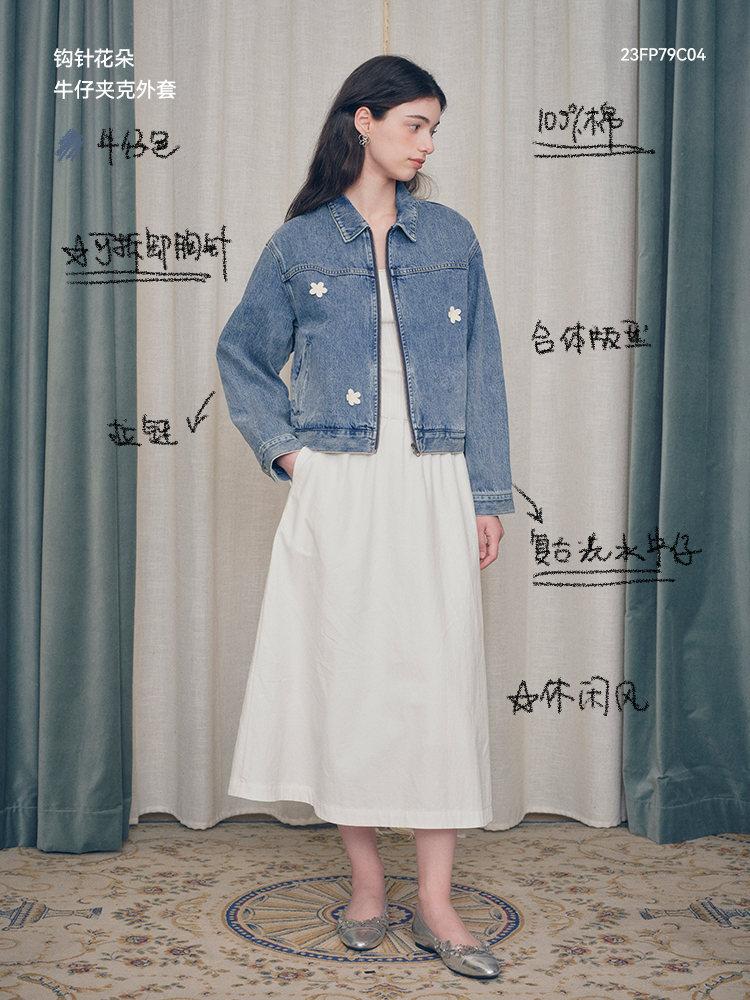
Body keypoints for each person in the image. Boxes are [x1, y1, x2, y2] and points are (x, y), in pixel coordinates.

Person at [217, 54, 513, 979]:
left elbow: (484, 372)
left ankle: (437, 900)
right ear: (363, 121)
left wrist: (488, 494)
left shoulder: (453, 238)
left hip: (433, 479)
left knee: (437, 684)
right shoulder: (298, 244)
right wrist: (292, 456)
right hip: (339, 484)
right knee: (343, 677)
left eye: (433, 129)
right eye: (414, 124)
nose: (426, 144)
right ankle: (368, 884)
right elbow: (242, 356)